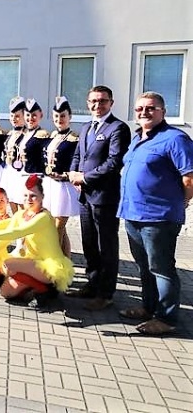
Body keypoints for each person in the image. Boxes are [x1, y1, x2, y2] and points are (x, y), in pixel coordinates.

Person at [116, 91, 193, 335]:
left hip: (159, 218)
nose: (144, 112)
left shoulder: (175, 139)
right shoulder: (137, 138)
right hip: (133, 214)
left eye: (150, 108)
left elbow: (189, 178)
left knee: (162, 268)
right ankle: (148, 308)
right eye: (139, 109)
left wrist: (182, 201)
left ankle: (167, 318)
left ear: (163, 111)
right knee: (144, 266)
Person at [0, 174, 75, 309]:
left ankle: (47, 290)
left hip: (48, 266)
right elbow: (3, 230)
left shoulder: (43, 217)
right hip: (31, 262)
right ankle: (32, 289)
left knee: (8, 264)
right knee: (6, 292)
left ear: (42, 197)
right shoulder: (21, 214)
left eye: (33, 196)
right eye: (25, 195)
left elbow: (16, 232)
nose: (28, 199)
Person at [66, 86, 130, 310]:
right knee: (89, 243)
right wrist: (73, 174)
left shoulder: (118, 128)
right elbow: (78, 155)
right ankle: (92, 285)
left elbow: (114, 162)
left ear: (111, 103)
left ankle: (105, 294)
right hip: (85, 195)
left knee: (106, 246)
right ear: (87, 103)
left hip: (105, 196)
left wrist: (85, 177)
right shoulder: (86, 127)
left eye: (102, 101)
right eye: (93, 101)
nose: (97, 105)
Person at [43, 96, 80, 259]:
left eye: (63, 116)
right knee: (59, 228)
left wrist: (65, 175)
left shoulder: (74, 139)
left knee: (58, 227)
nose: (60, 119)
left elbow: (78, 163)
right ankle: (66, 260)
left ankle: (54, 262)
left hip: (64, 187)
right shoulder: (53, 136)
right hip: (50, 185)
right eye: (56, 116)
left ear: (70, 116)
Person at [0, 96, 27, 213]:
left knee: (21, 201)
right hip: (9, 171)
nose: (14, 119)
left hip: (21, 172)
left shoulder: (28, 134)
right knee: (10, 199)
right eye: (12, 116)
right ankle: (15, 221)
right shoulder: (10, 134)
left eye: (17, 116)